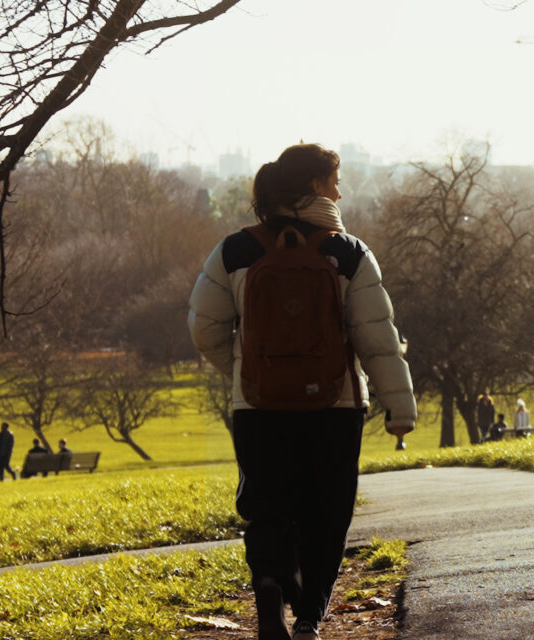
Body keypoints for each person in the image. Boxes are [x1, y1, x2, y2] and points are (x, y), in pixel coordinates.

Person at [188, 143, 417, 640]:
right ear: (315, 187)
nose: (341, 190)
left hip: (258, 405)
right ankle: (311, 616)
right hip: (333, 407)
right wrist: (400, 407)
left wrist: (245, 371)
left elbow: (205, 327)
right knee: (326, 508)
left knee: (266, 502)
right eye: (335, 181)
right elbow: (377, 338)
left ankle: (270, 584)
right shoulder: (349, 252)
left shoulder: (235, 250)